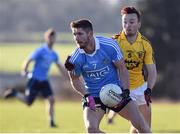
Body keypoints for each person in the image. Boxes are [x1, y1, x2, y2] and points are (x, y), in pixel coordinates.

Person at [64, 19, 151, 133]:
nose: (76, 38)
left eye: (80, 34)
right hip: (94, 97)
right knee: (91, 129)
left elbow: (122, 69)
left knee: (142, 126)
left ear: (90, 34)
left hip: (115, 92)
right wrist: (87, 95)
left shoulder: (109, 45)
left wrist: (125, 91)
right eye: (74, 34)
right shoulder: (74, 58)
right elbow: (74, 80)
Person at [107, 6, 157, 133]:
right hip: (122, 90)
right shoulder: (114, 42)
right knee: (141, 126)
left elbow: (152, 72)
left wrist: (149, 89)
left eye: (131, 22)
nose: (127, 25)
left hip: (140, 88)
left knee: (144, 128)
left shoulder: (145, 44)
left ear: (139, 24)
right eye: (124, 22)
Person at [4, 28, 67, 127]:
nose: (52, 39)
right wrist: (24, 69)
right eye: (50, 37)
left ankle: (51, 122)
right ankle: (14, 93)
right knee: (28, 102)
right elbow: (28, 60)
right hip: (34, 79)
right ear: (46, 38)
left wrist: (68, 77)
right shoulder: (40, 50)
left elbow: (60, 66)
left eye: (53, 37)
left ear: (55, 39)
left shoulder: (54, 54)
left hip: (44, 80)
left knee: (51, 99)